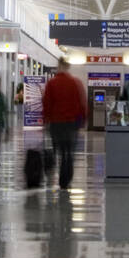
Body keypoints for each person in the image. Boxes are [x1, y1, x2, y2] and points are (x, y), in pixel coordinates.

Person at [43, 59, 87, 190]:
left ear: (59, 66)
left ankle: (51, 172)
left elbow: (47, 104)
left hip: (56, 124)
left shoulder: (51, 83)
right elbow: (82, 104)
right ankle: (65, 180)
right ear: (67, 67)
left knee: (57, 150)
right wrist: (82, 121)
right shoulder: (75, 82)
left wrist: (46, 121)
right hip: (71, 124)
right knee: (68, 152)